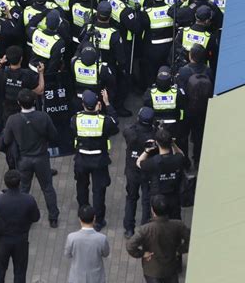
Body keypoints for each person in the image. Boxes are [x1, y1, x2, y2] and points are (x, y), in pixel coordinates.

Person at [3, 88, 60, 227]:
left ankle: (22, 217)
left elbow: (6, 140)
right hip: (41, 158)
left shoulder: (13, 120)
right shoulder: (43, 117)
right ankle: (53, 218)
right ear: (34, 101)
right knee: (47, 188)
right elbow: (54, 135)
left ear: (18, 103)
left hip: (23, 160)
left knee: (23, 189)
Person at [0, 170, 40, 283]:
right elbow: (36, 217)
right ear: (20, 183)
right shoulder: (28, 200)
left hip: (2, 241)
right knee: (20, 271)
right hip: (21, 240)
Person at [70, 89, 119, 231]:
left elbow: (73, 131)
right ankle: (98, 221)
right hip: (99, 161)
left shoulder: (75, 119)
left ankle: (84, 214)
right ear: (98, 104)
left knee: (81, 187)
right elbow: (115, 123)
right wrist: (107, 104)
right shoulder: (104, 121)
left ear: (83, 104)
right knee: (98, 191)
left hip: (81, 160)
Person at [136, 127, 188, 219]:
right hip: (174, 196)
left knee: (159, 221)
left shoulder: (154, 162)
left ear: (157, 143)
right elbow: (181, 154)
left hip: (158, 198)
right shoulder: (177, 159)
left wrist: (146, 151)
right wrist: (173, 144)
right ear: (170, 141)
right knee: (175, 220)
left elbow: (139, 163)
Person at [122, 107, 155, 238]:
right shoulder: (154, 134)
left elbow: (125, 130)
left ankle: (129, 229)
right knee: (146, 200)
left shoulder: (131, 132)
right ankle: (145, 229)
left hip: (132, 170)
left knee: (131, 198)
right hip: (147, 170)